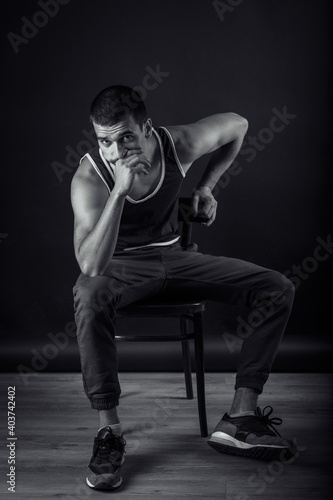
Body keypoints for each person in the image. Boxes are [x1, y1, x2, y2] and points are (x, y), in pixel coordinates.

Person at [71, 85, 295, 491]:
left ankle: (241, 418)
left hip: (178, 259)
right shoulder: (91, 176)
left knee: (277, 288)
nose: (116, 150)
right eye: (105, 140)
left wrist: (207, 187)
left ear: (147, 129)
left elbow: (238, 125)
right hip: (120, 269)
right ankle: (109, 434)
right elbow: (90, 264)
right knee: (88, 295)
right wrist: (120, 189)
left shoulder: (179, 144)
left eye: (125, 137)